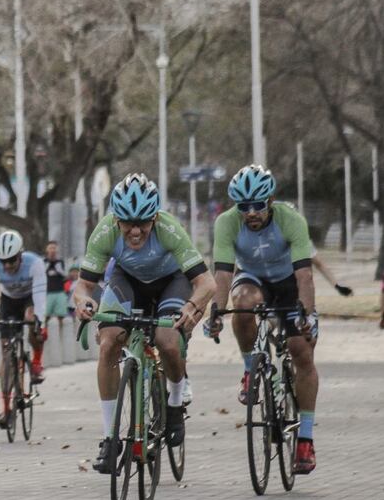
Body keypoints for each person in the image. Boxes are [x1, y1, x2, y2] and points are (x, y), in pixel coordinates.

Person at [72, 173, 215, 474]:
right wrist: (85, 303)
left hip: (171, 282)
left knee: (167, 341)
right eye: (127, 223)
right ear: (116, 219)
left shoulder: (169, 229)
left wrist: (191, 307)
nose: (135, 231)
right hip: (127, 281)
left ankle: (175, 403)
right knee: (109, 340)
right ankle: (111, 439)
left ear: (155, 217)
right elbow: (83, 286)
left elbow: (206, 283)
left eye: (143, 223)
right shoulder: (104, 231)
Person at [205, 164, 319, 475]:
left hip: (289, 282)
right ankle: (248, 371)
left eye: (258, 205)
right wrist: (216, 310)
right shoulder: (227, 223)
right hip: (253, 278)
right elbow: (224, 272)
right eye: (244, 206)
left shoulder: (290, 220)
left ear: (270, 201)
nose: (251, 212)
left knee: (301, 352)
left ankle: (305, 439)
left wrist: (306, 313)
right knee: (240, 306)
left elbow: (305, 274)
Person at [0, 229, 48, 428]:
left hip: (29, 299)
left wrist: (41, 323)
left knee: (32, 318)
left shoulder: (35, 263)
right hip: (8, 302)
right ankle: (6, 408)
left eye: (12, 260)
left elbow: (40, 296)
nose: (7, 265)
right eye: (3, 260)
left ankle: (37, 361)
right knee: (7, 354)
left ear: (21, 255)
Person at [43, 240, 69, 322]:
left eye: (54, 248)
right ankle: (43, 332)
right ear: (47, 249)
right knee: (45, 315)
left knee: (61, 316)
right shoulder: (44, 262)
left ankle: (61, 334)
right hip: (47, 292)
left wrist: (60, 271)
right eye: (50, 248)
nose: (52, 250)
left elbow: (66, 276)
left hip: (60, 291)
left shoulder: (60, 262)